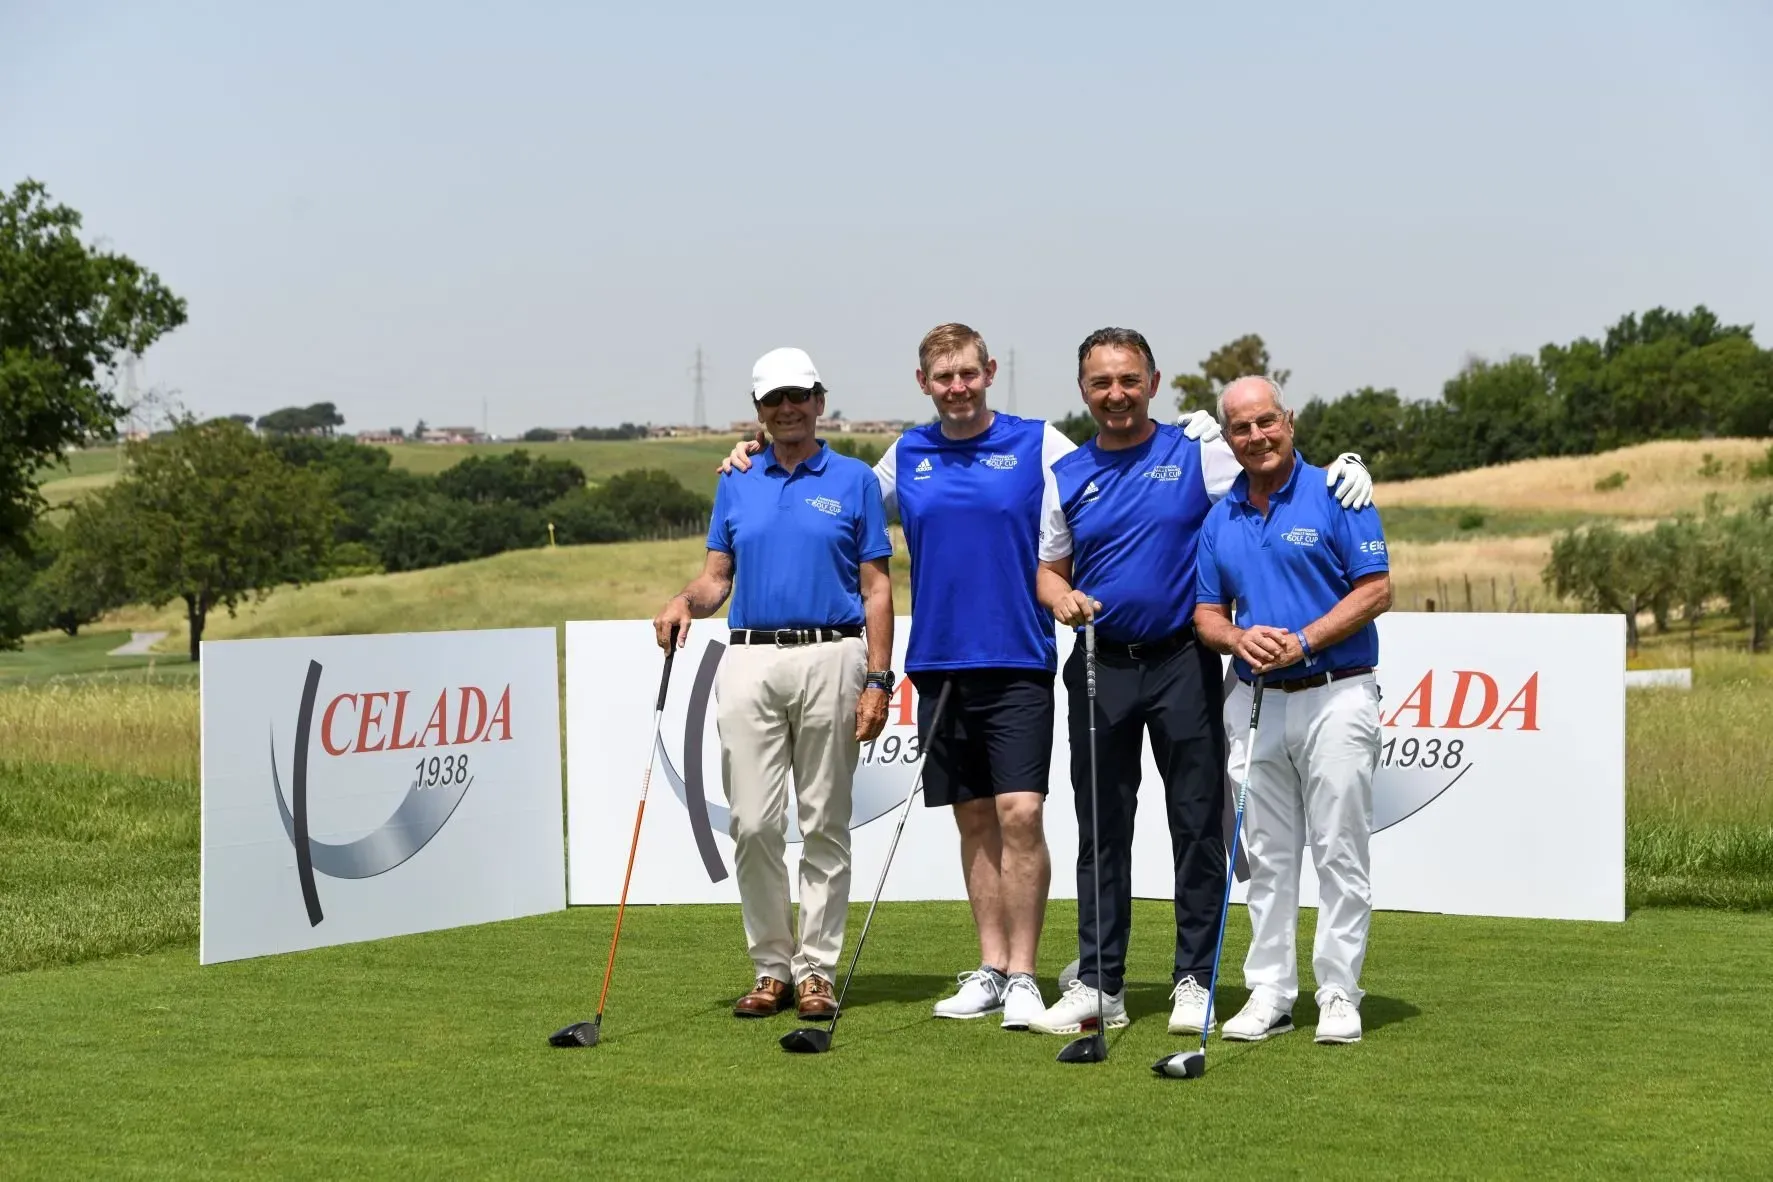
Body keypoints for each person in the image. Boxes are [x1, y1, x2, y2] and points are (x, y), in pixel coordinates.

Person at [722, 324, 1223, 1029]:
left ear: (988, 371)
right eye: (942, 377)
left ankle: (1024, 973)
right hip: (938, 663)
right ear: (923, 384)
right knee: (975, 821)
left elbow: (1113, 475)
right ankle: (990, 968)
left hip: (1019, 656)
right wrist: (754, 454)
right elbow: (834, 501)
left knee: (1021, 815)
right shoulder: (906, 456)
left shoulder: (1040, 443)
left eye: (968, 373)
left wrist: (1197, 438)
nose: (957, 387)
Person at [1030, 330, 1373, 1039]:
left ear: (1153, 382)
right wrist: (1055, 598)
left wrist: (1351, 465)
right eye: (1101, 383)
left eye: (1129, 379)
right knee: (1101, 830)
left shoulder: (1199, 451)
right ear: (1083, 391)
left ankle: (1194, 979)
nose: (1116, 393)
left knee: (1195, 826)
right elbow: (1049, 568)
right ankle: (1101, 982)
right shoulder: (1064, 474)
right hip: (1100, 664)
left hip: (1182, 663)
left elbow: (1272, 465)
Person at [653, 346, 896, 1023]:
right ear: (758, 411)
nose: (787, 408)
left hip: (833, 654)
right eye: (772, 400)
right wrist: (684, 602)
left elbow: (876, 589)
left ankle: (815, 970)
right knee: (754, 822)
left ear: (819, 400)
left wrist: (878, 677)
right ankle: (771, 966)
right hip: (750, 656)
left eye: (798, 395)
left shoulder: (851, 480)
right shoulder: (736, 479)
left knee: (823, 820)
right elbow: (715, 578)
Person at [1193, 374, 1393, 1046]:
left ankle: (1338, 992)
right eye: (1241, 429)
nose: (1256, 437)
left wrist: (1304, 639)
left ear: (1289, 420)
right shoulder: (1220, 517)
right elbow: (1205, 613)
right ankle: (1269, 992)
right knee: (1266, 855)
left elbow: (1375, 589)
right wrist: (1237, 637)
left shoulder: (1337, 491)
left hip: (1337, 691)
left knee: (1338, 849)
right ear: (1228, 438)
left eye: (1265, 422)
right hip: (1254, 698)